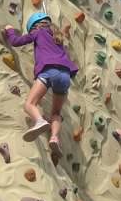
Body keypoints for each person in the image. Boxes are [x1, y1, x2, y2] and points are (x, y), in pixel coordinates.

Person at [4, 12, 78, 157]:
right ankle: (54, 137)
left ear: (34, 27)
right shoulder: (58, 36)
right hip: (65, 75)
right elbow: (63, 34)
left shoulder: (38, 32)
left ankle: (39, 121)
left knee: (29, 104)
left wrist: (9, 30)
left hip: (48, 71)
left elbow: (16, 41)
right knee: (56, 113)